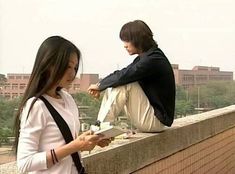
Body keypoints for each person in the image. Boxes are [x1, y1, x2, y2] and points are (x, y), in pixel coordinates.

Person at [14, 36, 111, 174]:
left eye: (75, 67)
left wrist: (90, 139)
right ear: (48, 64)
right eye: (67, 66)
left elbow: (65, 140)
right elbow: (25, 163)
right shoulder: (36, 106)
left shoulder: (67, 99)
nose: (72, 73)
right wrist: (74, 146)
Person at [88, 20, 176, 132]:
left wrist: (99, 86)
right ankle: (101, 125)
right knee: (117, 83)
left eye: (127, 41)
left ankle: (100, 127)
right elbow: (122, 73)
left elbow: (123, 76)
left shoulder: (153, 59)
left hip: (156, 121)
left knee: (125, 84)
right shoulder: (147, 57)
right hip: (151, 118)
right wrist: (99, 86)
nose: (125, 45)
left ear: (138, 40)